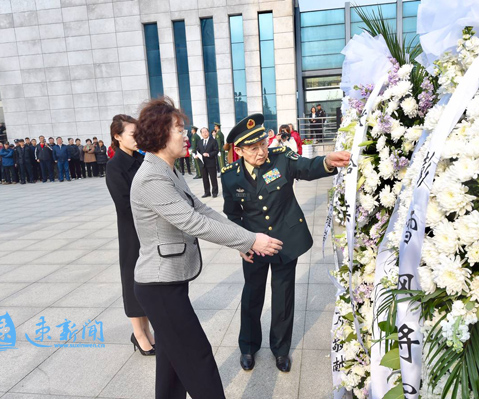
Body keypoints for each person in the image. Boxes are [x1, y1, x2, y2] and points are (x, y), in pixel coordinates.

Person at [130, 97, 283, 399]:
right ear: (160, 133)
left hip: (169, 280)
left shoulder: (168, 170)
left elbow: (201, 209)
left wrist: (242, 236)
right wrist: (252, 240)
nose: (185, 134)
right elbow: (193, 222)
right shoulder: (151, 177)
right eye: (179, 129)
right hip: (158, 286)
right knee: (197, 356)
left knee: (172, 364)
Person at [220, 113, 351, 373]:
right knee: (251, 296)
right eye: (253, 148)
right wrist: (242, 244)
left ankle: (280, 350)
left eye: (263, 145)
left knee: (283, 297)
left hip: (284, 242)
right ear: (239, 150)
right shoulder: (230, 176)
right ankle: (247, 347)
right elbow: (233, 214)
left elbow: (306, 166)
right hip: (254, 245)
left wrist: (326, 161)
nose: (261, 152)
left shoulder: (281, 159)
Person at [105, 114, 156, 357]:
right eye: (131, 135)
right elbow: (124, 205)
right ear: (117, 136)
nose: (137, 139)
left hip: (151, 229)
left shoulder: (142, 159)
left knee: (148, 281)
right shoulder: (114, 166)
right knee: (132, 279)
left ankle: (147, 329)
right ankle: (138, 333)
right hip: (132, 231)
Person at [198, 127, 219, 198]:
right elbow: (197, 150)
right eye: (203, 132)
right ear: (201, 134)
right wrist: (196, 155)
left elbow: (216, 151)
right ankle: (207, 192)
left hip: (211, 162)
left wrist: (209, 154)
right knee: (205, 178)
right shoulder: (200, 142)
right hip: (203, 164)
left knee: (213, 178)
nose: (205, 133)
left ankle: (215, 192)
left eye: (206, 131)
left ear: (208, 132)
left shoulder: (213, 141)